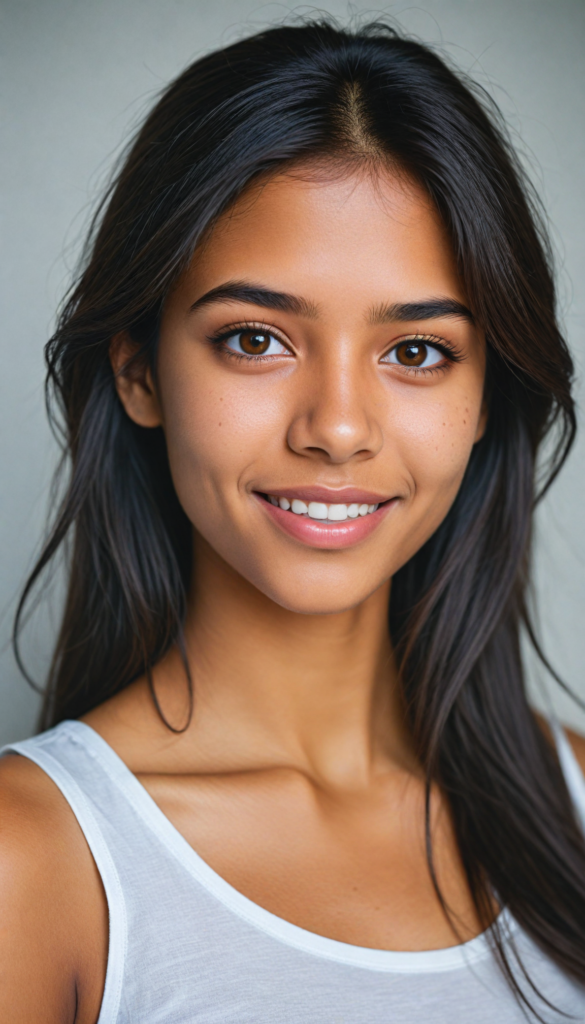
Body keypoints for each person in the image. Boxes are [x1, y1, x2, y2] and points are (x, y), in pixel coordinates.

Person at [1, 19, 584, 1023]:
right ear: (138, 368)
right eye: (257, 338)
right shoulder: (34, 860)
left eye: (416, 352)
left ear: (488, 394)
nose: (339, 428)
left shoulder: (576, 800)